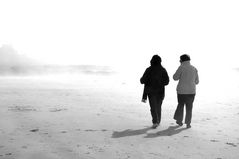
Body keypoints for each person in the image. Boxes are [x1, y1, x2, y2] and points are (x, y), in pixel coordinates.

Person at [140, 55, 169, 128]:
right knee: (158, 107)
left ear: (152, 61)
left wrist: (142, 79)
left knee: (153, 107)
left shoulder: (148, 69)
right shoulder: (163, 70)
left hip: (151, 91)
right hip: (160, 92)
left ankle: (155, 121)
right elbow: (167, 82)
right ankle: (158, 121)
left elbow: (142, 81)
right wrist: (160, 82)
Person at [173, 54, 199, 128]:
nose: (179, 61)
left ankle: (179, 121)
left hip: (182, 91)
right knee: (189, 107)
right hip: (191, 91)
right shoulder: (194, 68)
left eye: (180, 59)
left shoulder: (181, 67)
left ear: (182, 60)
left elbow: (175, 77)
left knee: (181, 105)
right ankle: (188, 123)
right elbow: (197, 81)